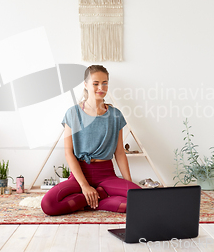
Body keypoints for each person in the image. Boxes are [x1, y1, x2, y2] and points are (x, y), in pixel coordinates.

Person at [41, 65, 141, 216]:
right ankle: (95, 196)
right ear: (86, 85)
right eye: (96, 83)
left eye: (105, 83)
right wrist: (84, 185)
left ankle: (95, 199)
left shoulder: (115, 115)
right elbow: (69, 152)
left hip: (106, 175)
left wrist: (130, 185)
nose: (101, 87)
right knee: (48, 205)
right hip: (79, 175)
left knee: (140, 200)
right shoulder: (73, 113)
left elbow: (119, 152)